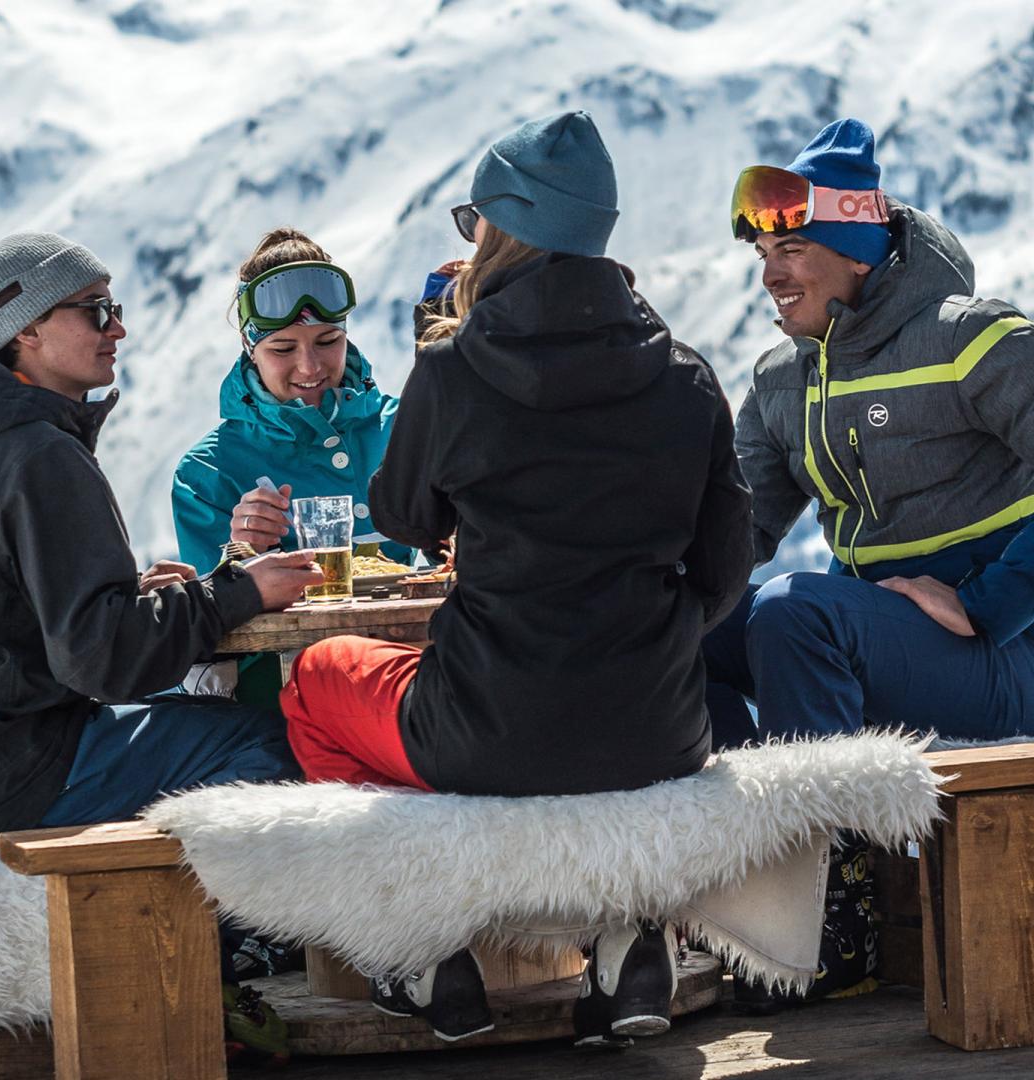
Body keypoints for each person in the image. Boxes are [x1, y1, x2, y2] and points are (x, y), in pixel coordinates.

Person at [278, 111, 752, 1046]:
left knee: (314, 684)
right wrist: (647, 635)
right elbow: (728, 566)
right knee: (598, 744)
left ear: (503, 232)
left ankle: (422, 947)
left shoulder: (455, 371)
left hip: (485, 726)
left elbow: (404, 517)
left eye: (474, 223)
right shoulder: (686, 377)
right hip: (657, 727)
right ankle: (625, 936)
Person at [705, 119, 1034, 1004]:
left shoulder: (972, 339)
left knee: (796, 612)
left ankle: (840, 907)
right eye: (765, 253)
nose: (771, 272)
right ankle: (751, 892)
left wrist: (989, 604)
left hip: (1006, 657)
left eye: (794, 248)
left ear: (858, 254)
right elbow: (733, 540)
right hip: (867, 644)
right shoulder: (781, 379)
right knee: (686, 639)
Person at [0, 231, 327, 1061]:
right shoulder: (42, 454)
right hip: (10, 776)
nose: (118, 328)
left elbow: (48, 624)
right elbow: (104, 662)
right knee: (280, 744)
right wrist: (239, 592)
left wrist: (143, 597)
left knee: (208, 729)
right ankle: (230, 959)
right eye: (97, 311)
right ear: (28, 332)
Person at [171, 228, 412, 703]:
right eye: (282, 349)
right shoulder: (210, 472)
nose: (310, 367)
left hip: (413, 676)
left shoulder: (406, 427)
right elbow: (211, 651)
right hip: (283, 707)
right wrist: (238, 560)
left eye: (328, 340)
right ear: (250, 348)